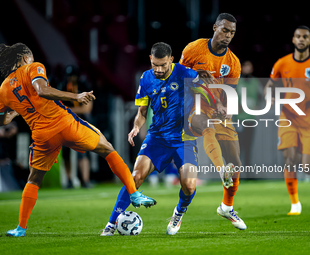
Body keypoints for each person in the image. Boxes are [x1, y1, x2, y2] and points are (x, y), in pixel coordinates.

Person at [0, 43, 156, 237]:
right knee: (107, 149)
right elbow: (41, 90)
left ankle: (20, 228)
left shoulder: (2, 89)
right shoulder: (33, 67)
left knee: (34, 179)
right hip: (64, 124)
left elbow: (1, 120)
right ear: (24, 58)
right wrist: (76, 96)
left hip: (42, 136)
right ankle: (134, 193)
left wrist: (14, 114)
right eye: (30, 56)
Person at [101, 42, 199, 236]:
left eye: (163, 65)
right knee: (135, 177)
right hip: (157, 138)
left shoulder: (185, 73)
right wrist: (136, 126)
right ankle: (111, 224)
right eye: (155, 64)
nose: (159, 69)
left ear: (171, 60)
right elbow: (142, 112)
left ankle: (179, 212)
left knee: (189, 185)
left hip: (184, 139)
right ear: (150, 60)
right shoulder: (146, 78)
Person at [179, 13, 246, 230]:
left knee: (236, 163)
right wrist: (195, 73)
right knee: (205, 125)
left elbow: (231, 93)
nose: (228, 36)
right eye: (225, 30)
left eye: (232, 33)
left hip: (218, 109)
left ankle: (226, 207)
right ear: (215, 27)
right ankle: (220, 169)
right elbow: (176, 75)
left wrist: (227, 110)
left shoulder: (233, 63)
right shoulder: (193, 49)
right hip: (195, 106)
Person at [264, 26, 310, 215]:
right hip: (288, 117)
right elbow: (269, 84)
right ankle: (295, 203)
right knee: (289, 159)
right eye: (298, 36)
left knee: (309, 169)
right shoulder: (282, 63)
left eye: (305, 37)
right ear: (293, 40)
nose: (301, 39)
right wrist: (269, 97)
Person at [58, 66, 93, 188]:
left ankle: (85, 180)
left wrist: (70, 110)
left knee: (82, 151)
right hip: (67, 123)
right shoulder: (63, 86)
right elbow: (58, 107)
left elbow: (87, 108)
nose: (70, 79)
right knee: (66, 153)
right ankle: (68, 181)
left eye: (72, 76)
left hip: (82, 122)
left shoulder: (83, 85)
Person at [235, 60, 263, 166]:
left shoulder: (255, 82)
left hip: (251, 118)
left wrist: (258, 106)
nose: (247, 69)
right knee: (239, 145)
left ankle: (248, 171)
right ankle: (238, 171)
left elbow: (261, 96)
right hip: (239, 119)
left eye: (249, 66)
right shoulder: (237, 81)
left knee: (248, 145)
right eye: (245, 66)